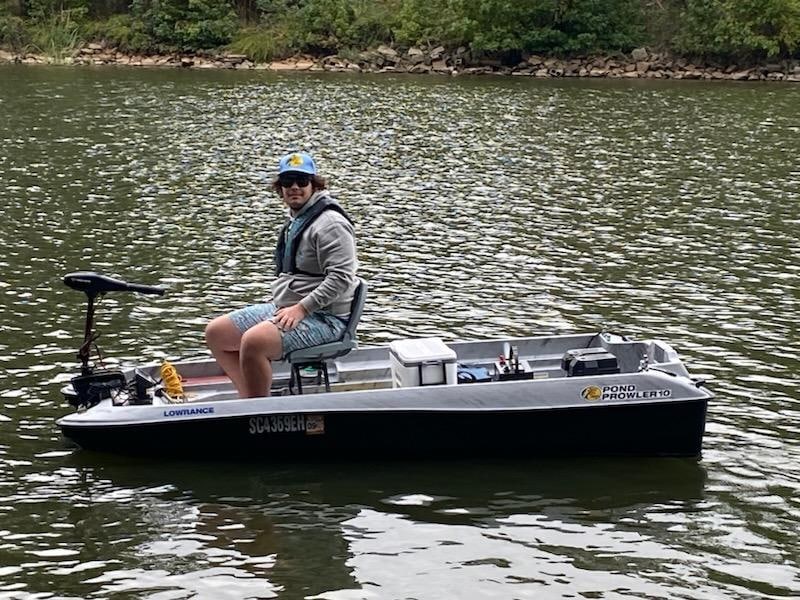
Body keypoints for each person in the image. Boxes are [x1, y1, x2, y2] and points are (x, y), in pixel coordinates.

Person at [205, 152, 358, 398]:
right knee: (216, 333)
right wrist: (291, 308)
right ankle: (249, 399)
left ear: (314, 184)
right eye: (288, 182)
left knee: (254, 342)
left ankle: (258, 412)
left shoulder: (330, 224)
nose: (295, 187)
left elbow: (341, 279)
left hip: (325, 319)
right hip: (286, 308)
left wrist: (301, 309)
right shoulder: (298, 218)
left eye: (302, 180)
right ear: (280, 188)